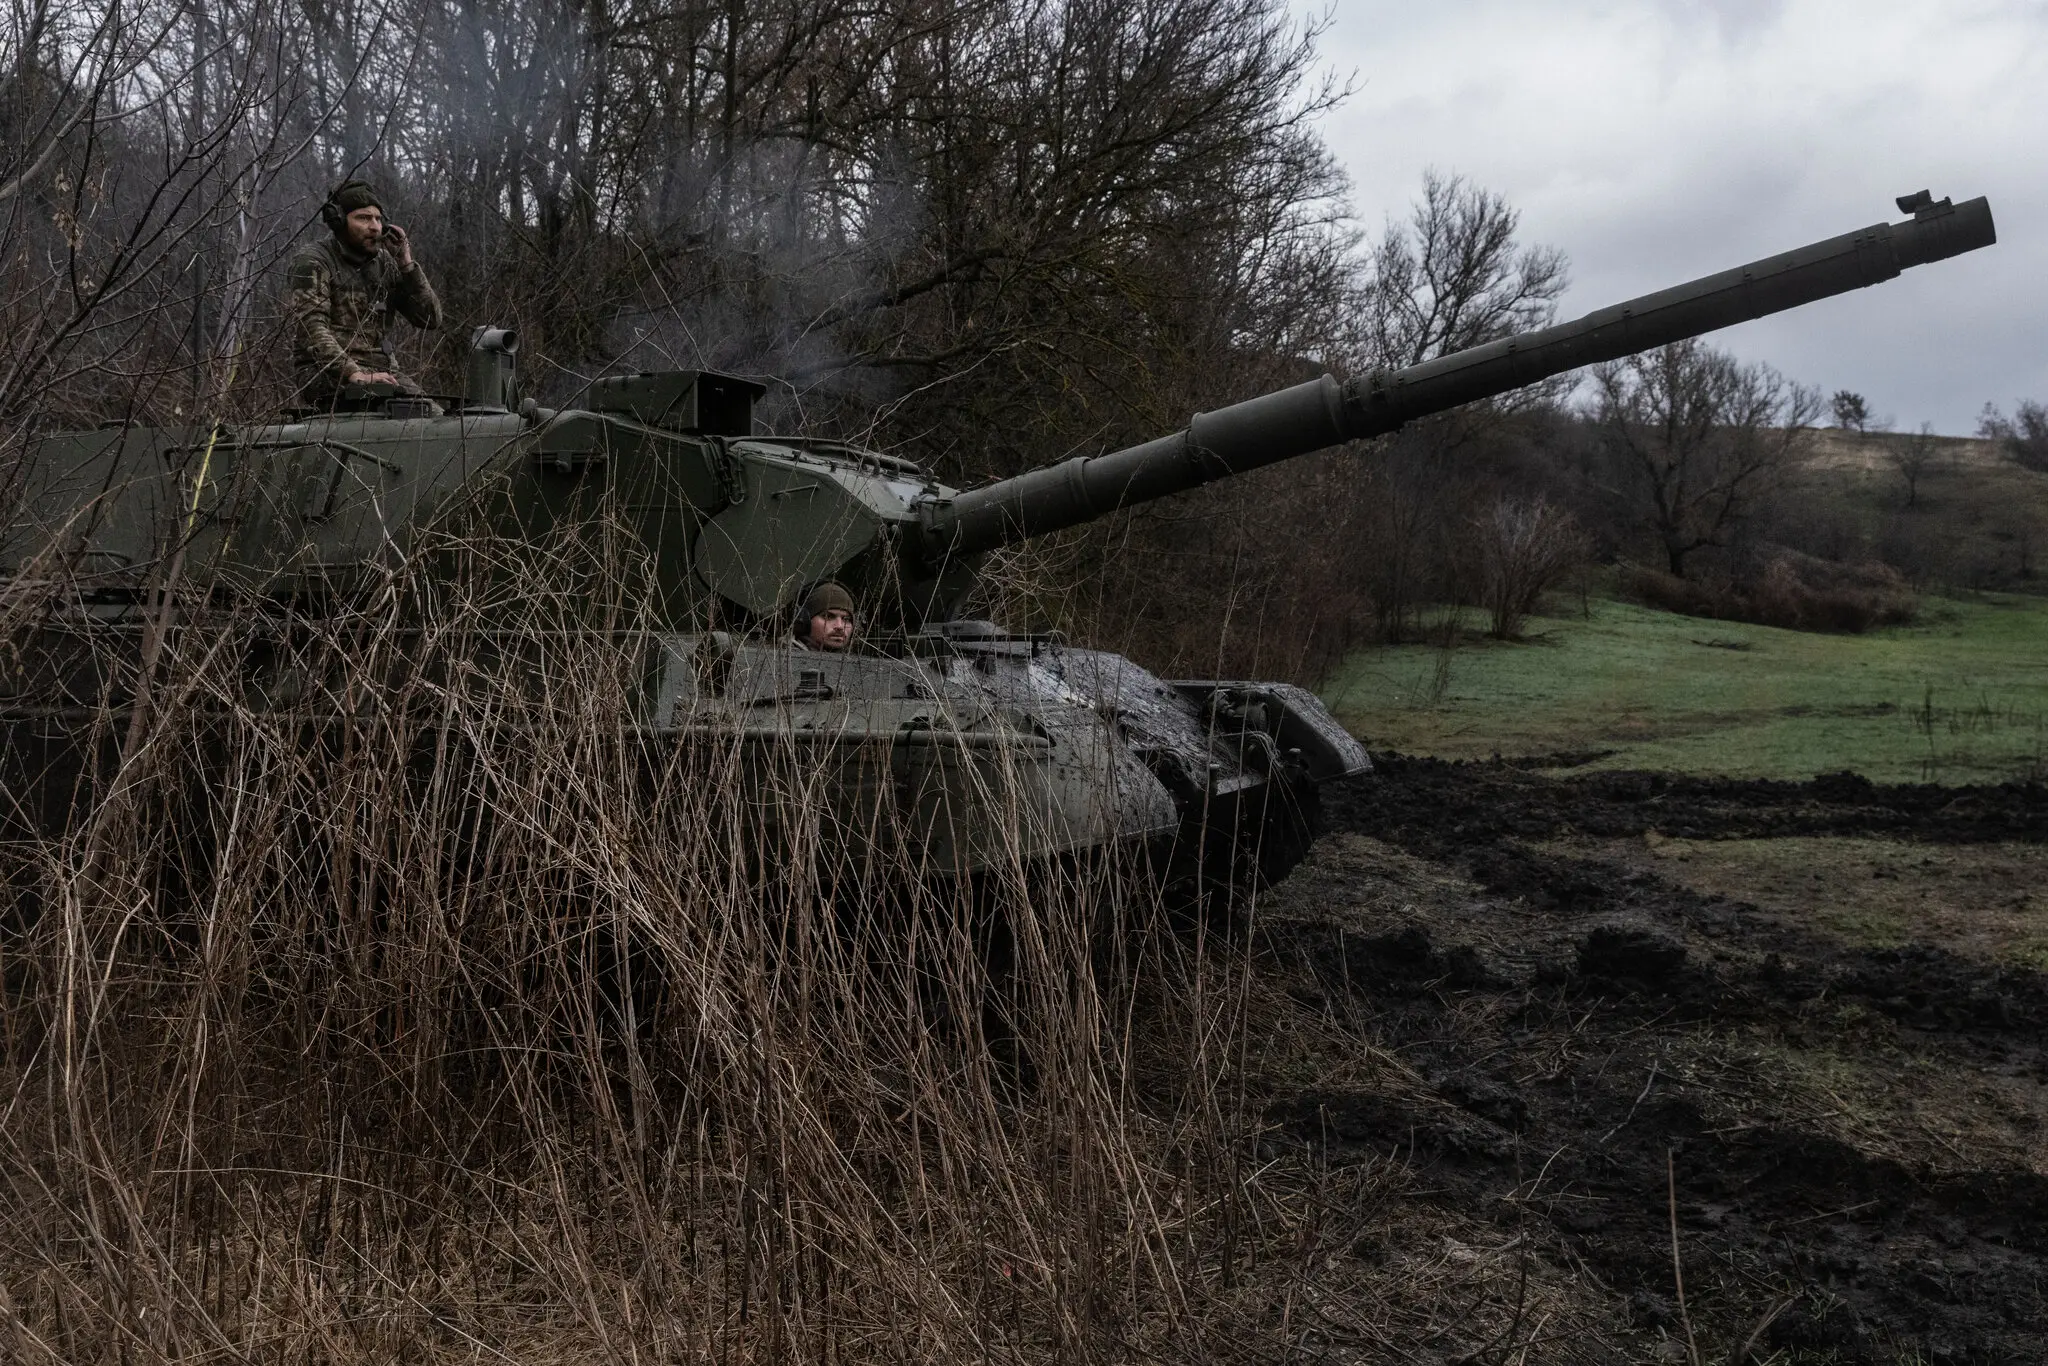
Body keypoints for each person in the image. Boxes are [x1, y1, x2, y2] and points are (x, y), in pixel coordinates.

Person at [287, 179, 443, 411]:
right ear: (338, 221)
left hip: (382, 371)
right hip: (325, 372)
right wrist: (354, 373)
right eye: (363, 218)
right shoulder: (314, 261)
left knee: (436, 418)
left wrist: (406, 265)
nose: (375, 227)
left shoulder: (386, 262)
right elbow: (311, 328)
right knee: (403, 417)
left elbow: (430, 319)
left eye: (378, 219)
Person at [793, 582, 857, 651]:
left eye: (846, 619)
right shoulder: (787, 655)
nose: (840, 626)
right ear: (805, 621)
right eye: (828, 617)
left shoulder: (858, 655)